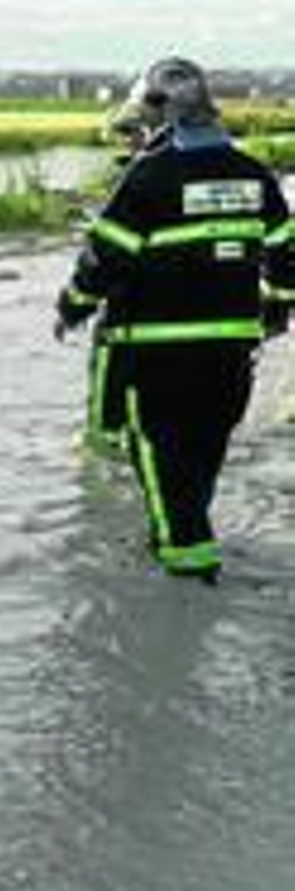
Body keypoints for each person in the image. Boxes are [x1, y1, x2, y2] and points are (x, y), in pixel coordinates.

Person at [55, 56, 295, 583]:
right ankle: (187, 545)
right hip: (232, 358)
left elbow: (104, 258)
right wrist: (275, 309)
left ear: (159, 116)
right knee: (201, 461)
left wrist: (71, 306)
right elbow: (286, 254)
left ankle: (185, 589)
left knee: (164, 474)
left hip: (157, 358)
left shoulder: (149, 179)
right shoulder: (255, 176)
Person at [80, 77, 167, 455]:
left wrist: (74, 304)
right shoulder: (221, 167)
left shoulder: (141, 179)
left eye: (133, 132)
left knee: (108, 425)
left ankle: (105, 461)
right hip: (201, 328)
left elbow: (109, 257)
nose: (127, 141)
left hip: (134, 322)